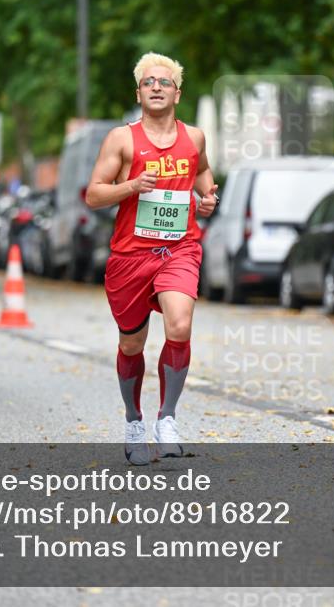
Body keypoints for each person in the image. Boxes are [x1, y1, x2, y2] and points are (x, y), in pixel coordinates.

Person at [85, 52, 219, 465]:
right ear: (138, 93)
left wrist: (208, 198)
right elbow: (94, 194)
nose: (156, 87)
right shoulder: (121, 139)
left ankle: (167, 419)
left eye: (164, 82)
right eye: (148, 82)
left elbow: (203, 173)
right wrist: (131, 186)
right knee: (132, 343)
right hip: (130, 256)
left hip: (179, 248)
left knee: (179, 325)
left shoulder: (194, 137)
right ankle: (133, 421)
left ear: (177, 94)